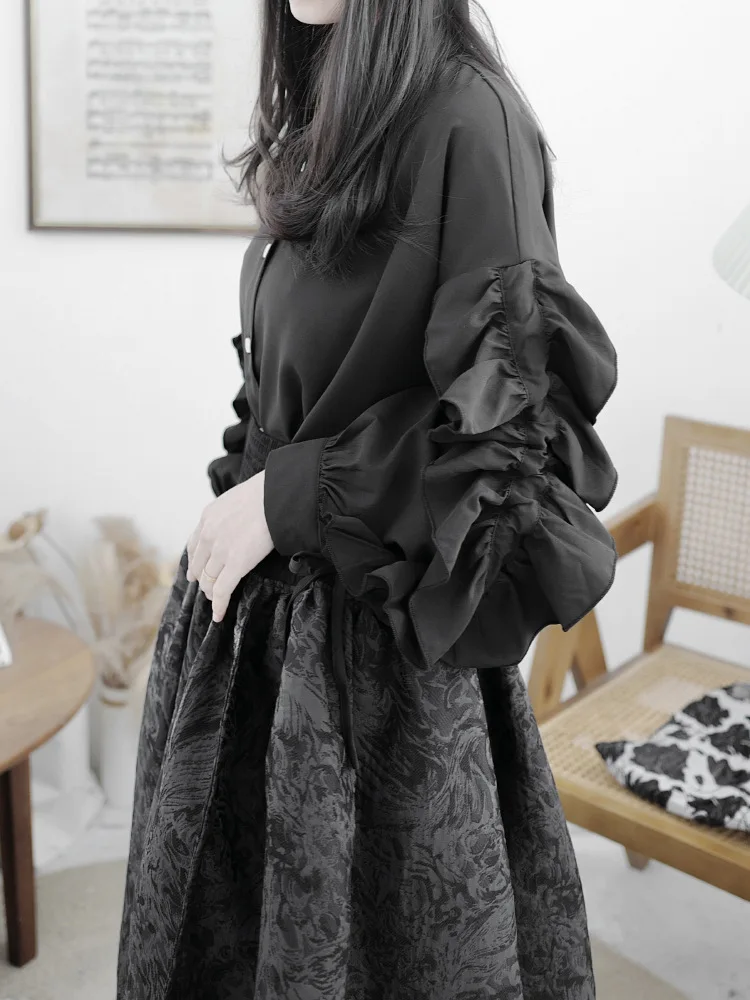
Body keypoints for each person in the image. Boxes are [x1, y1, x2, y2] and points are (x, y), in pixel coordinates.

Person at [116, 1, 618, 997]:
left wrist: (294, 493)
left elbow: (514, 434)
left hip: (377, 676)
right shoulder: (332, 106)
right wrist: (251, 494)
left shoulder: (471, 120)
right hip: (256, 650)